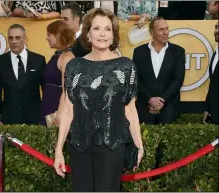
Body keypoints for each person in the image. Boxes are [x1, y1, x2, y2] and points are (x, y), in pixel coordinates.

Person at [53, 8, 144, 191]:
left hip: (113, 145)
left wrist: (139, 145)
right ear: (87, 33)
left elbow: (130, 109)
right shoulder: (74, 66)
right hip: (80, 146)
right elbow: (68, 110)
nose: (102, 33)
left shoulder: (126, 67)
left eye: (107, 29)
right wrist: (58, 151)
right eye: (96, 28)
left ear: (113, 35)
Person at [133, 17, 185, 125]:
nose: (165, 32)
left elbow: (178, 80)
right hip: (144, 109)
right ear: (151, 32)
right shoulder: (139, 52)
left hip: (169, 110)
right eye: (161, 29)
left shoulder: (178, 51)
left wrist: (160, 101)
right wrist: (150, 99)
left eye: (166, 29)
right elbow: (136, 80)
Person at [0, 24, 46, 125]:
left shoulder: (38, 60)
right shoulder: (0, 62)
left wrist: (46, 115)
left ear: (25, 39)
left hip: (35, 120)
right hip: (8, 120)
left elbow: (46, 90)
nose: (14, 41)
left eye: (17, 38)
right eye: (11, 38)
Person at [39, 20, 75, 126]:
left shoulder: (67, 58)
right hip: (48, 107)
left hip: (56, 110)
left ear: (58, 35)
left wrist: (59, 115)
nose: (46, 38)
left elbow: (67, 91)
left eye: (49, 35)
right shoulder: (58, 56)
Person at [203, 20, 218, 125]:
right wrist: (207, 109)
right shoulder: (216, 53)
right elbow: (213, 84)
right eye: (216, 27)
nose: (216, 31)